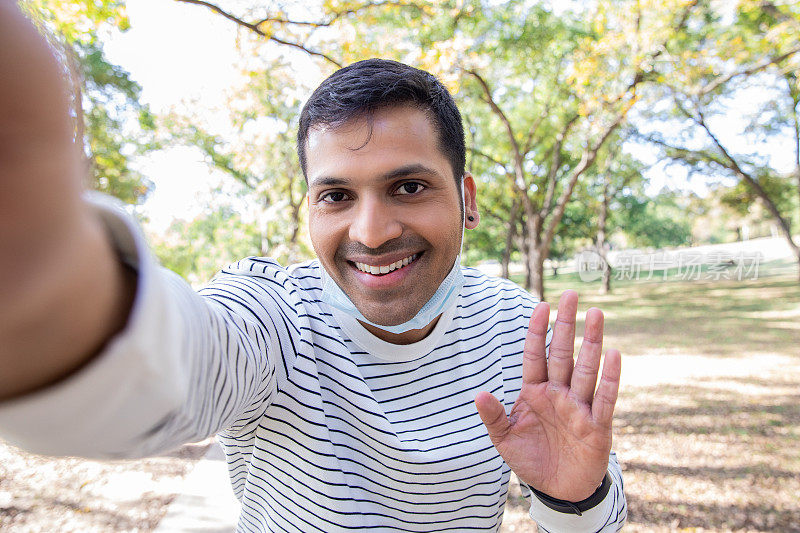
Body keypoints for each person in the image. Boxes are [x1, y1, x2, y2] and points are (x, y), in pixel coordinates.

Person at [0, 2, 626, 531]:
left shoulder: (523, 334)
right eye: (337, 196)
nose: (372, 232)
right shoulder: (274, 318)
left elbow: (598, 515)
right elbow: (171, 374)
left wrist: (573, 496)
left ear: (466, 198)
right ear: (309, 208)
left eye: (408, 187)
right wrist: (46, 287)